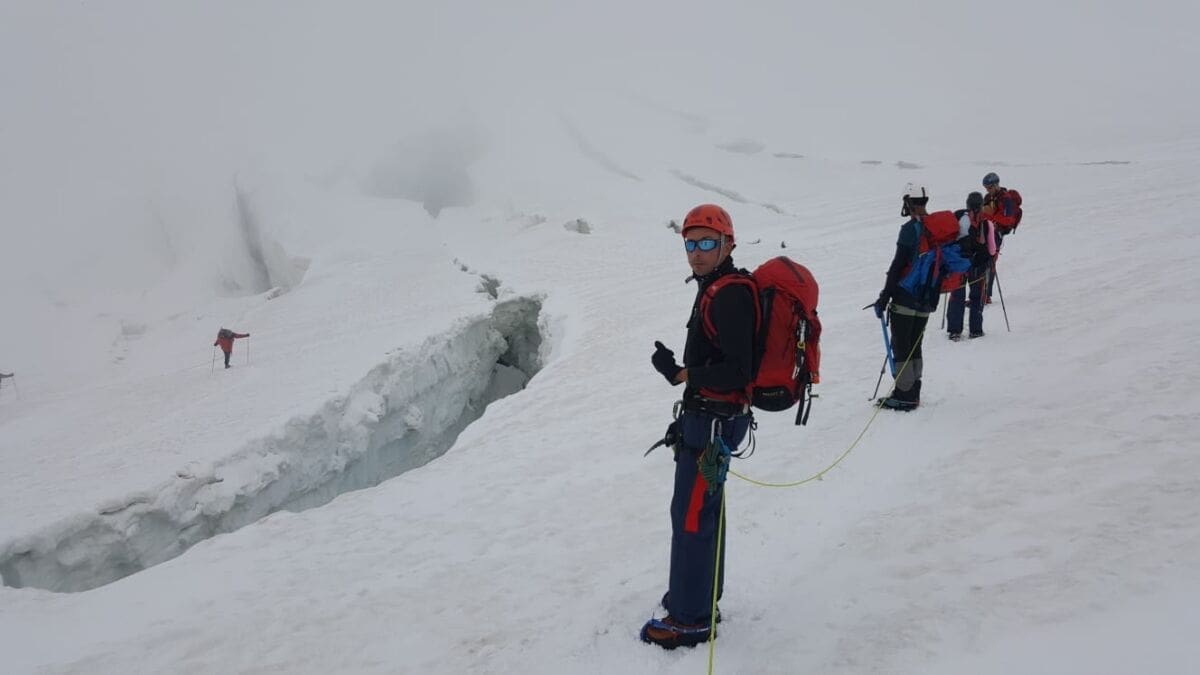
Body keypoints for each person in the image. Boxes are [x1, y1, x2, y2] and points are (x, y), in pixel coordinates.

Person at [642, 203, 755, 649]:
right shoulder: (717, 286)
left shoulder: (729, 294)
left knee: (692, 515)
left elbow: (739, 370)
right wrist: (678, 373)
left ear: (728, 244)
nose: (697, 252)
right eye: (690, 244)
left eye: (707, 243)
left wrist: (684, 375)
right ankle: (701, 597)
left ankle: (690, 618)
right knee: (702, 511)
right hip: (710, 419)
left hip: (712, 424)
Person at [873, 184, 938, 410]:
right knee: (915, 344)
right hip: (927, 297)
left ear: (908, 202)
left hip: (906, 296)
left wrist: (884, 296)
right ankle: (914, 390)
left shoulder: (910, 229)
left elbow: (898, 264)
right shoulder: (936, 227)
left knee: (902, 345)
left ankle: (904, 395)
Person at [946, 192, 993, 340]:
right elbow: (992, 249)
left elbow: (949, 239)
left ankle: (955, 331)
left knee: (957, 296)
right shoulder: (986, 223)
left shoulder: (959, 218)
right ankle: (976, 330)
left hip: (959, 264)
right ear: (981, 205)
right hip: (978, 265)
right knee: (977, 296)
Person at [980, 172, 1021, 302]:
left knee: (989, 263)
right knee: (983, 263)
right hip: (987, 232)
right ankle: (981, 295)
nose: (987, 190)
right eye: (986, 188)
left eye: (989, 187)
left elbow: (1008, 219)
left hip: (996, 234)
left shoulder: (1006, 199)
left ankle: (986, 296)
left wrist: (990, 216)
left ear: (996, 185)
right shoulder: (989, 197)